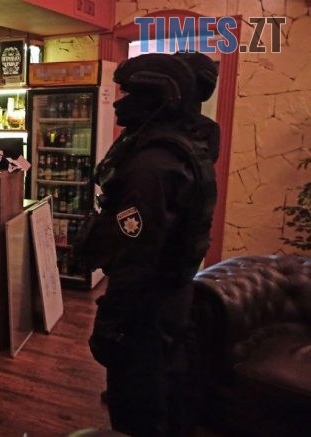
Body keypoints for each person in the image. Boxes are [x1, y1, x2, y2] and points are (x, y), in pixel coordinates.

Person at [74, 52, 219, 437]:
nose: (119, 102)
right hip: (170, 294)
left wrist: (113, 321)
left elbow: (136, 252)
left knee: (137, 405)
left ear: (159, 99)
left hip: (145, 305)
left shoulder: (152, 164)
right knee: (163, 390)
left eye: (131, 94)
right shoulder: (183, 144)